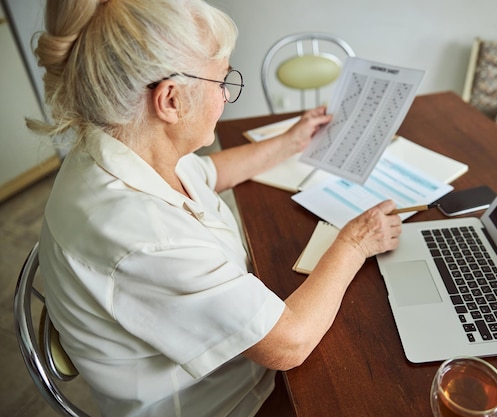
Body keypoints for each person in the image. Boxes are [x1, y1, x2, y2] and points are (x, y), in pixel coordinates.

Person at [28, 0, 402, 416]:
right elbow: (290, 343)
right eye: (222, 82)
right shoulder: (143, 236)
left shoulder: (124, 142)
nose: (226, 97)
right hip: (224, 404)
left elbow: (206, 173)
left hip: (229, 363)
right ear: (170, 101)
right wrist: (353, 242)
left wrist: (289, 142)